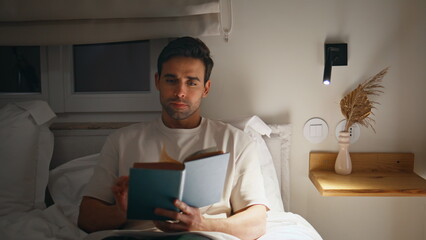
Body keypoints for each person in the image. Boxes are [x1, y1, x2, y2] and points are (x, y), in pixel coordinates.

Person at [78, 37, 269, 240]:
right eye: (171, 80)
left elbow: (257, 223)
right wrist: (121, 211)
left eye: (191, 83)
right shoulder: (122, 140)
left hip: (201, 236)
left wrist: (202, 224)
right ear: (157, 81)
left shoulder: (236, 141)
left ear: (206, 88)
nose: (180, 93)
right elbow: (86, 218)